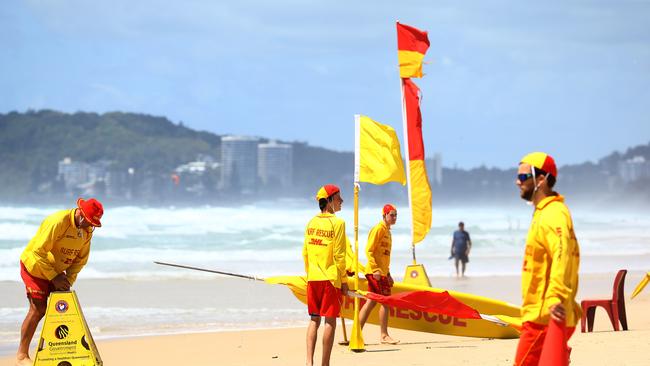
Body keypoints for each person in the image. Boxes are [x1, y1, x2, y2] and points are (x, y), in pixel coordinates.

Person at [16, 198, 104, 366]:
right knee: (38, 309)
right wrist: (54, 277)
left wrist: (67, 281)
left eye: (93, 224)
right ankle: (21, 356)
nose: (90, 226)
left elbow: (80, 261)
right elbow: (37, 252)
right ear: (81, 214)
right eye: (89, 222)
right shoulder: (57, 221)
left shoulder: (87, 231)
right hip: (34, 267)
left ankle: (55, 352)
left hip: (57, 273)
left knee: (61, 311)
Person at [513, 152, 581, 366]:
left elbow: (562, 253)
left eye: (523, 177)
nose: (517, 182)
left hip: (544, 317)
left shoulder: (553, 213)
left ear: (541, 179)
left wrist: (555, 296)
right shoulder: (544, 212)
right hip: (541, 314)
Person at [303, 185, 349, 366]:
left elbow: (305, 252)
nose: (342, 201)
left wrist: (310, 274)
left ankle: (308, 362)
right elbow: (339, 255)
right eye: (339, 198)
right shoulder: (338, 223)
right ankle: (325, 364)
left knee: (314, 319)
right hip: (330, 280)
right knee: (330, 321)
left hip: (313, 279)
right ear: (329, 201)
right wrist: (344, 281)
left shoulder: (311, 222)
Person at [358, 204, 399, 344]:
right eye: (391, 215)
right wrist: (375, 269)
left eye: (395, 215)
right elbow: (369, 250)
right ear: (384, 215)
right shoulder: (378, 229)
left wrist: (388, 274)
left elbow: (384, 256)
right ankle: (384, 335)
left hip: (381, 273)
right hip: (374, 272)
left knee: (371, 302)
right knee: (385, 302)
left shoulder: (388, 232)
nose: (394, 217)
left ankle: (356, 333)